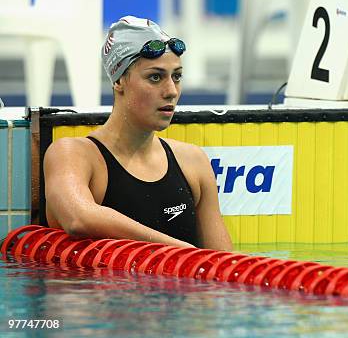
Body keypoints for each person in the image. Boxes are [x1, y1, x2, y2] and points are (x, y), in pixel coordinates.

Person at [44, 16, 233, 250]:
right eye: (155, 77)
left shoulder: (192, 161)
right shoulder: (73, 154)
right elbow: (79, 218)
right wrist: (180, 251)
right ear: (119, 81)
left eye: (176, 76)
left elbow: (224, 263)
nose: (171, 91)